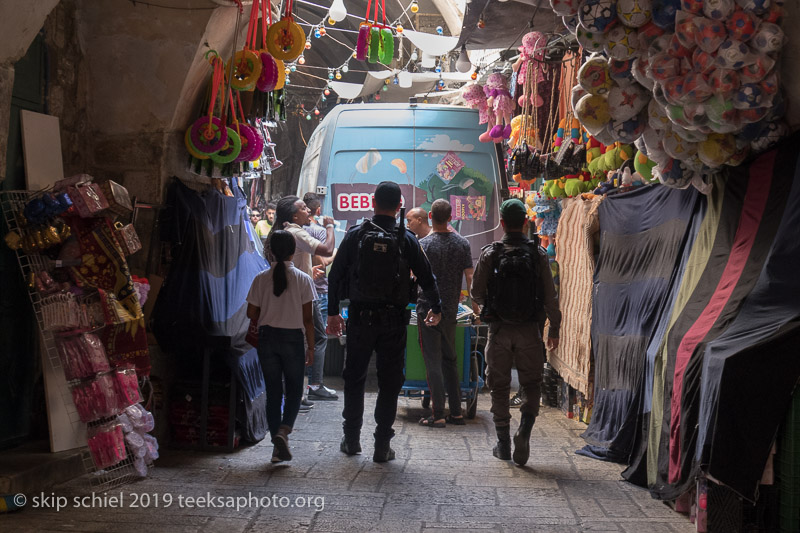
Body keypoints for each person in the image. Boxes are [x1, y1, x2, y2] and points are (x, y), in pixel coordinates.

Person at [327, 181, 443, 462]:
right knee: (390, 381)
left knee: (354, 377)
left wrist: (332, 313)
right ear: (399, 206)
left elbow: (335, 275)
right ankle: (382, 444)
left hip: (359, 319)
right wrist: (436, 307)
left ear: (372, 203)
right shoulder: (408, 239)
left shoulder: (355, 235)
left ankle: (351, 439)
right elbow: (427, 278)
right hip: (393, 322)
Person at [471, 198, 561, 466]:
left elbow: (476, 292)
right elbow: (550, 297)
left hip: (498, 330)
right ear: (525, 223)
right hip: (529, 331)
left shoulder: (490, 253)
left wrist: (488, 304)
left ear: (501, 223)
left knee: (498, 386)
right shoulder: (538, 254)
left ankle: (502, 442)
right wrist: (554, 328)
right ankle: (525, 430)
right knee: (531, 384)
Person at [246, 230, 316, 463]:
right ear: (294, 251)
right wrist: (312, 348)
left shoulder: (260, 278)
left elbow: (251, 313)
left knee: (273, 392)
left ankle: (277, 448)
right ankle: (284, 431)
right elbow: (308, 320)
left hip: (267, 339)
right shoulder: (303, 279)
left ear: (270, 251)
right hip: (293, 340)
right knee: (295, 389)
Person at [416, 199, 478, 428]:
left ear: (431, 217)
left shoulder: (424, 245)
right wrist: (476, 306)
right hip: (451, 309)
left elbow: (416, 276)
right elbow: (470, 277)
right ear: (450, 218)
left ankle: (437, 413)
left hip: (428, 309)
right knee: (450, 360)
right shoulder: (462, 243)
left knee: (433, 361)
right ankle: (456, 412)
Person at [301, 192, 338, 401]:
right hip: (318, 289)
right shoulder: (318, 231)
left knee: (305, 337)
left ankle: (304, 384)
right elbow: (323, 262)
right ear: (318, 210)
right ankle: (315, 384)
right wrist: (336, 252)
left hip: (301, 290)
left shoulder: (294, 230)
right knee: (319, 338)